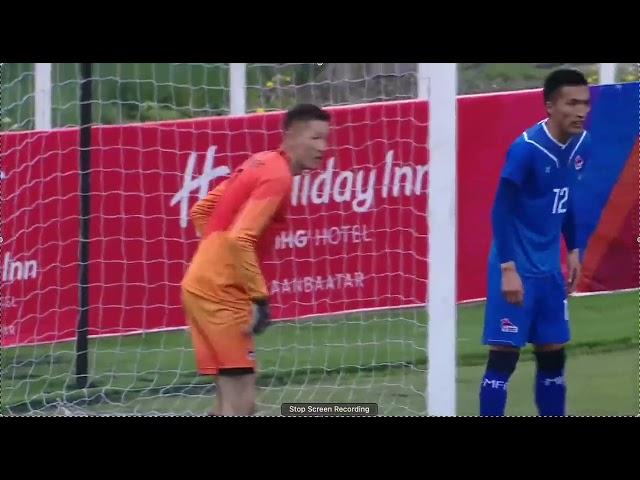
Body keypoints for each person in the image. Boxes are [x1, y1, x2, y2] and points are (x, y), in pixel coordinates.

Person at [181, 104, 331, 416]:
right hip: (222, 293)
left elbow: (201, 211)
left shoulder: (259, 162)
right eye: (315, 138)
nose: (323, 148)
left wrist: (212, 259)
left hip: (200, 285)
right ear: (290, 134)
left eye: (325, 140)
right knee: (242, 406)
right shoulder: (278, 177)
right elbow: (241, 238)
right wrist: (260, 299)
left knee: (227, 403)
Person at [479, 69, 592, 416]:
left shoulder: (580, 143)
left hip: (549, 272)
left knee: (553, 355)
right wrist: (508, 268)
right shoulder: (525, 149)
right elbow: (500, 209)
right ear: (549, 106)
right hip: (516, 268)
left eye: (585, 103)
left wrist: (572, 248)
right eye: (571, 103)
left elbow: (566, 196)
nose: (580, 111)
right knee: (503, 359)